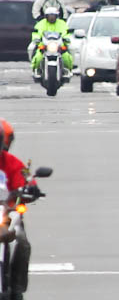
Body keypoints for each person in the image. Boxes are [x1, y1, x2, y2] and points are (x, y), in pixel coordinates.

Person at [0, 119, 32, 299]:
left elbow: (27, 179)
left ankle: (17, 287)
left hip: (7, 214)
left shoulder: (13, 162)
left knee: (22, 241)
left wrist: (30, 188)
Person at [30, 7, 72, 79]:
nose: (51, 18)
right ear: (46, 16)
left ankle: (66, 71)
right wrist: (36, 39)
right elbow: (36, 33)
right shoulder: (41, 23)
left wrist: (66, 38)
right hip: (44, 46)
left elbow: (66, 32)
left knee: (66, 57)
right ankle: (37, 70)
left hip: (59, 46)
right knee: (38, 57)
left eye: (53, 15)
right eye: (50, 16)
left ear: (56, 16)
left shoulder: (62, 23)